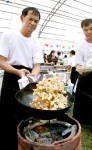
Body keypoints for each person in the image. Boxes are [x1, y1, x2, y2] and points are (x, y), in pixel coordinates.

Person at [0, 7, 44, 150]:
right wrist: (18, 72)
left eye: (36, 21)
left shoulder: (36, 42)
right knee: (8, 116)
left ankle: (25, 144)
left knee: (27, 116)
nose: (32, 23)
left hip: (27, 82)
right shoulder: (9, 36)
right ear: (22, 18)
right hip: (11, 79)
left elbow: (37, 66)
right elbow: (1, 61)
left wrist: (33, 74)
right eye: (30, 19)